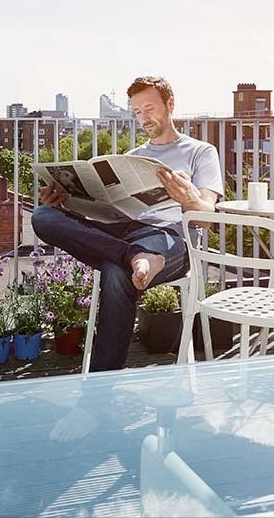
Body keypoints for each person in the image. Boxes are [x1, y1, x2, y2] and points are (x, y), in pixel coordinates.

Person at [31, 75, 223, 372]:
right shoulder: (134, 157)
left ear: (169, 105)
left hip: (173, 240)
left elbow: (207, 217)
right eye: (137, 112)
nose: (143, 118)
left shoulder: (200, 152)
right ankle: (133, 256)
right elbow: (108, 214)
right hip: (128, 235)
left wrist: (188, 198)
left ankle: (101, 386)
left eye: (149, 109)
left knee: (115, 271)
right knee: (43, 217)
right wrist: (67, 202)